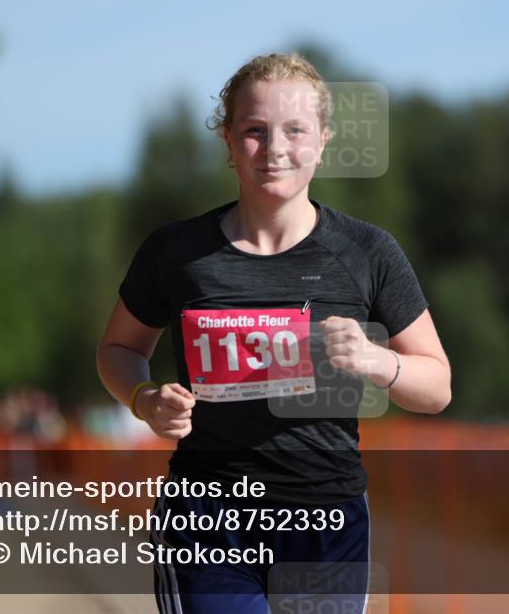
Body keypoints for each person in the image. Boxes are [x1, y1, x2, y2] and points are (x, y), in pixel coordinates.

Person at [97, 52, 451, 614]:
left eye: (295, 130)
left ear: (323, 140)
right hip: (208, 519)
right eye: (255, 131)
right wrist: (143, 399)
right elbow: (118, 350)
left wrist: (379, 361)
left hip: (326, 525)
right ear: (228, 141)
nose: (276, 149)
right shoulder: (176, 253)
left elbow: (437, 388)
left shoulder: (368, 252)